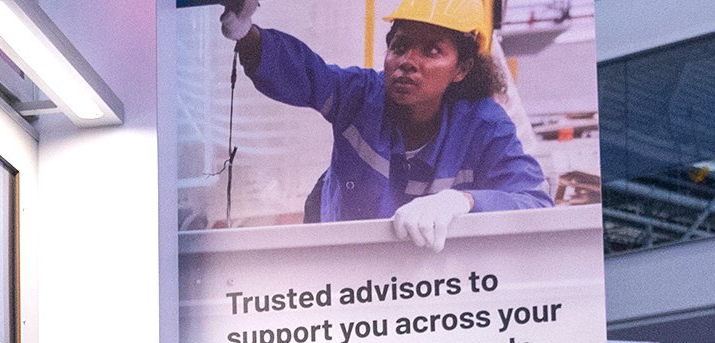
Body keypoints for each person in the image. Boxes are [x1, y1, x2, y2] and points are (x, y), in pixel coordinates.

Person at [217, 0, 550, 249]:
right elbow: (307, 73)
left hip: (428, 274)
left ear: (461, 69)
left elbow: (534, 203)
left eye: (432, 51)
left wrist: (461, 202)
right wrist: (248, 36)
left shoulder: (483, 126)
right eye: (400, 46)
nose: (408, 62)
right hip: (345, 260)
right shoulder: (360, 96)